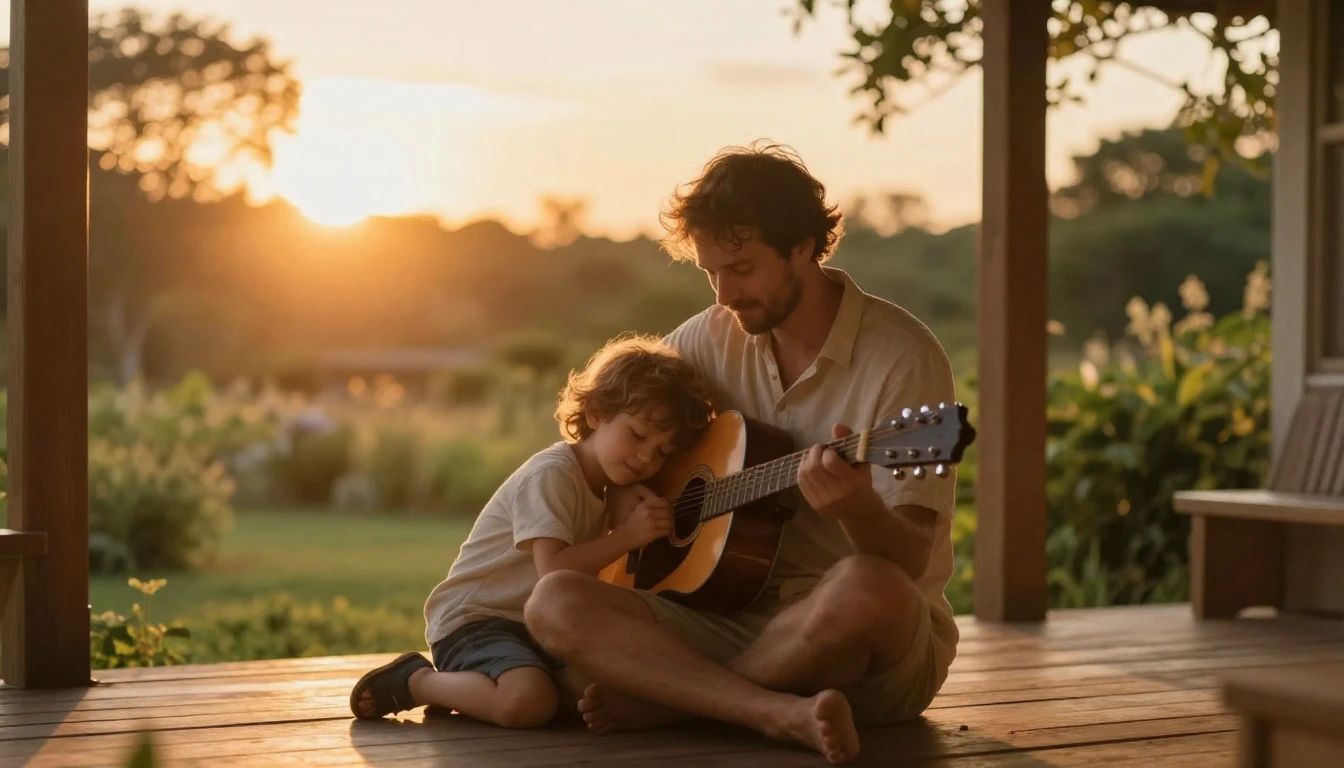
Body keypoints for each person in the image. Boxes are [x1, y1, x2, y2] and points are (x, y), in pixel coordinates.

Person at [522, 142, 960, 764]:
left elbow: (908, 563)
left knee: (868, 587)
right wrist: (634, 501)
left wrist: (857, 507)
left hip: (855, 640)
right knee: (554, 601)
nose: (724, 292)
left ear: (804, 247)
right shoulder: (709, 336)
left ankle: (681, 699)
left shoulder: (903, 359)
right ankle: (774, 711)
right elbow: (620, 427)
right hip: (722, 614)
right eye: (711, 271)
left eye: (743, 268)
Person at [349, 334, 714, 728]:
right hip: (475, 620)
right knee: (529, 702)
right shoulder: (552, 475)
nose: (646, 458)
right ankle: (418, 682)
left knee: (594, 699)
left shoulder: (608, 486)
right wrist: (627, 536)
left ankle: (474, 691)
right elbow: (553, 573)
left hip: (534, 630)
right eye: (638, 436)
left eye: (662, 452)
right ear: (595, 414)